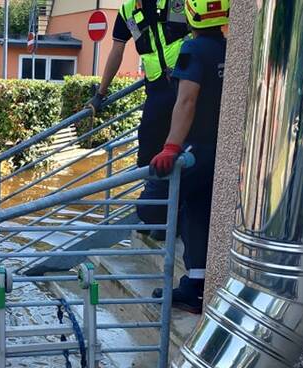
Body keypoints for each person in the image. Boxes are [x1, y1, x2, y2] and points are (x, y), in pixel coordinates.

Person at [149, 0, 230, 314]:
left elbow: (186, 101)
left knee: (158, 205)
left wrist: (171, 146)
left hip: (197, 148)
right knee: (201, 210)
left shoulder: (193, 50)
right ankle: (198, 284)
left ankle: (195, 285)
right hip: (222, 149)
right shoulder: (230, 50)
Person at [87, 0, 189, 168]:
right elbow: (116, 52)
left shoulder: (176, 1)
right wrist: (100, 94)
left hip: (186, 79)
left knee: (189, 144)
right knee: (148, 149)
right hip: (157, 88)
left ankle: (182, 191)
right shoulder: (128, 11)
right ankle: (153, 190)